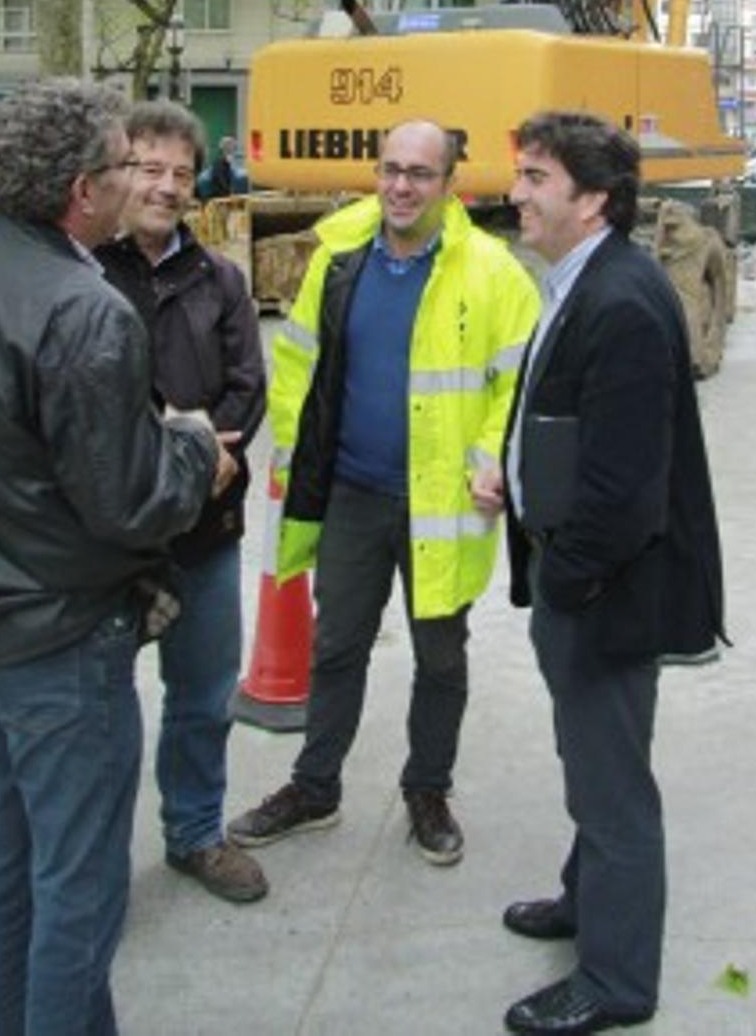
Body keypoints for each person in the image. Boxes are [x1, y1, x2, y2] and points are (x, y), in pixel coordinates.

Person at [0, 78, 234, 1036]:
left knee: (1, 866)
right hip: (57, 646)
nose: (140, 181)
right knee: (76, 893)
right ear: (85, 188)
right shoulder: (86, 309)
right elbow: (130, 503)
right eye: (127, 162)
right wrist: (195, 450)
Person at [228, 119, 539, 866]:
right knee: (336, 646)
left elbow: (519, 386)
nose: (401, 186)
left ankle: (427, 791)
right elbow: (299, 360)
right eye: (391, 170)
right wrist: (292, 452)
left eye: (420, 174)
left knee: (440, 657)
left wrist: (495, 461)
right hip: (352, 494)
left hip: (442, 503)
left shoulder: (492, 273)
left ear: (450, 183)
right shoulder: (337, 259)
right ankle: (315, 786)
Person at [491, 110, 725, 1036]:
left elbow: (626, 493)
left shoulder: (620, 301)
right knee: (592, 764)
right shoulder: (585, 279)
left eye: (536, 178)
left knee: (612, 786)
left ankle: (618, 981)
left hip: (604, 593)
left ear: (592, 201)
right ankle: (585, 901)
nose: (516, 194)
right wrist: (509, 481)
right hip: (583, 578)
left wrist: (566, 583)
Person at [96, 102, 268, 905]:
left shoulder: (220, 280)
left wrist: (200, 457)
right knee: (97, 709)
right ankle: (89, 865)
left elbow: (246, 389)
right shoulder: (84, 274)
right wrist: (168, 446)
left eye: (178, 172)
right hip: (109, 542)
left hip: (205, 527)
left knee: (202, 696)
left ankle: (195, 833)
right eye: (147, 169)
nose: (164, 188)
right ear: (116, 173)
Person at [208, 134, 239, 201]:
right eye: (230, 146)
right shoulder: (219, 163)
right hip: (220, 198)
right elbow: (220, 180)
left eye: (233, 148)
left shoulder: (230, 163)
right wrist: (229, 193)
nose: (233, 150)